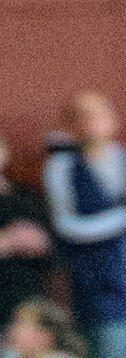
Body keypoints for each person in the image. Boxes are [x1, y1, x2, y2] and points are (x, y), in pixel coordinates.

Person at [42, 92, 126, 358]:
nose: (93, 123)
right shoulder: (63, 164)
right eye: (84, 116)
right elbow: (66, 226)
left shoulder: (122, 156)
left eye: (99, 114)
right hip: (97, 283)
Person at [0, 135, 52, 330]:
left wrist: (42, 243)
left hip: (26, 311)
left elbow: (51, 252)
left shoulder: (27, 198)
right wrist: (10, 240)